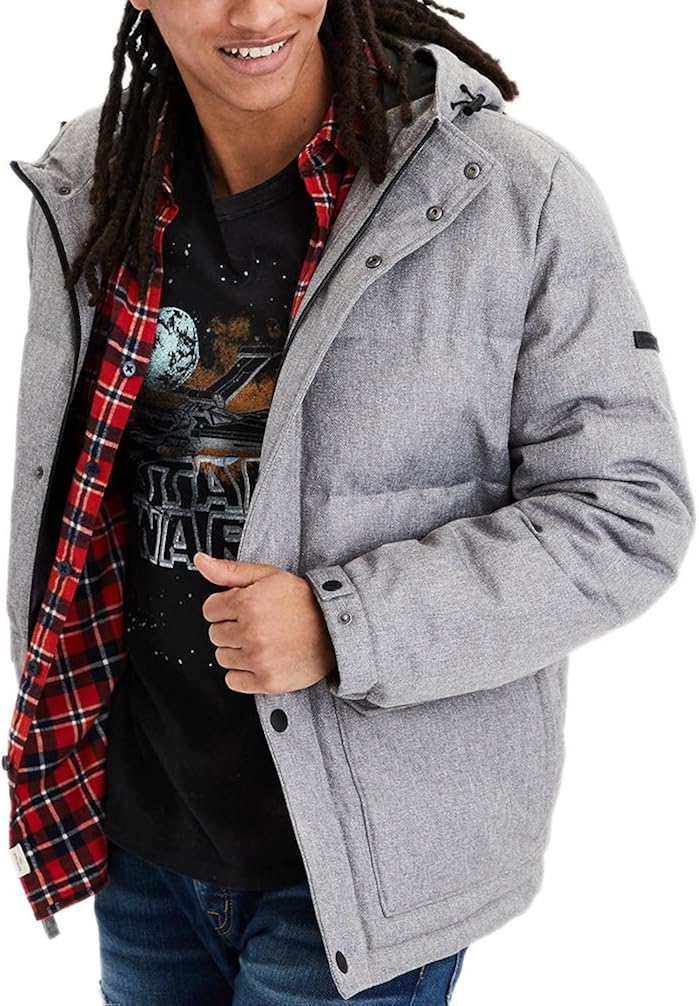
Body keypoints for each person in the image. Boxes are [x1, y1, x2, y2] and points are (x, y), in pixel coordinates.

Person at [3, 0, 694, 1003]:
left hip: (361, 868)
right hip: (138, 834)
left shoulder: (504, 193)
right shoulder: (92, 182)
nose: (255, 11)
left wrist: (345, 624)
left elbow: (629, 510)